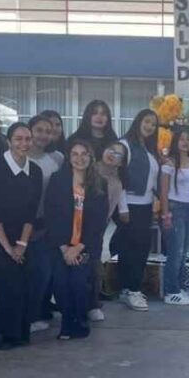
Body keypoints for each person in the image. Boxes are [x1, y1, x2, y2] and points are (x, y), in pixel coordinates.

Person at [0, 123, 44, 350]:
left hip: (20, 238)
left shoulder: (35, 171)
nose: (24, 144)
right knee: (9, 285)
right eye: (18, 139)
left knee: (25, 284)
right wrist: (8, 249)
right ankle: (0, 335)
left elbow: (31, 212)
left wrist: (22, 245)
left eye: (27, 139)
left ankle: (19, 334)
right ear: (8, 141)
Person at [44, 141, 108, 340]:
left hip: (85, 244)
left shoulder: (99, 183)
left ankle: (79, 320)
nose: (79, 158)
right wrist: (65, 249)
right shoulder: (57, 180)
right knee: (61, 283)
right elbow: (51, 214)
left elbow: (99, 220)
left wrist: (79, 247)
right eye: (75, 154)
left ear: (91, 157)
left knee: (79, 282)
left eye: (84, 154)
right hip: (61, 244)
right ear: (69, 157)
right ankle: (67, 321)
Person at [113, 109, 162, 312]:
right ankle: (131, 290)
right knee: (131, 250)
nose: (149, 126)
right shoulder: (124, 145)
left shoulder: (150, 148)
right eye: (146, 121)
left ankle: (129, 289)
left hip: (145, 206)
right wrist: (122, 207)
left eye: (153, 124)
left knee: (140, 249)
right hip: (129, 206)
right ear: (138, 121)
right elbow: (118, 178)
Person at [27, 115, 65, 333]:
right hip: (19, 224)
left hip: (46, 224)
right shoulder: (18, 157)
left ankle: (35, 312)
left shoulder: (57, 159)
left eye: (48, 131)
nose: (43, 135)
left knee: (43, 271)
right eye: (39, 130)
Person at [160, 127, 189, 306]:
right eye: (182, 139)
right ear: (176, 142)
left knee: (184, 252)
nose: (185, 142)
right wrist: (166, 214)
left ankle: (179, 286)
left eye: (188, 139)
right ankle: (171, 291)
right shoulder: (169, 163)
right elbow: (164, 190)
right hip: (175, 209)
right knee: (175, 252)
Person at [90, 141, 130, 321]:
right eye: (110, 150)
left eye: (118, 154)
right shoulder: (89, 170)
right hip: (75, 225)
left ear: (121, 163)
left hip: (98, 229)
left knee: (95, 266)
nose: (112, 154)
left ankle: (92, 303)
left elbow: (115, 209)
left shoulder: (117, 181)